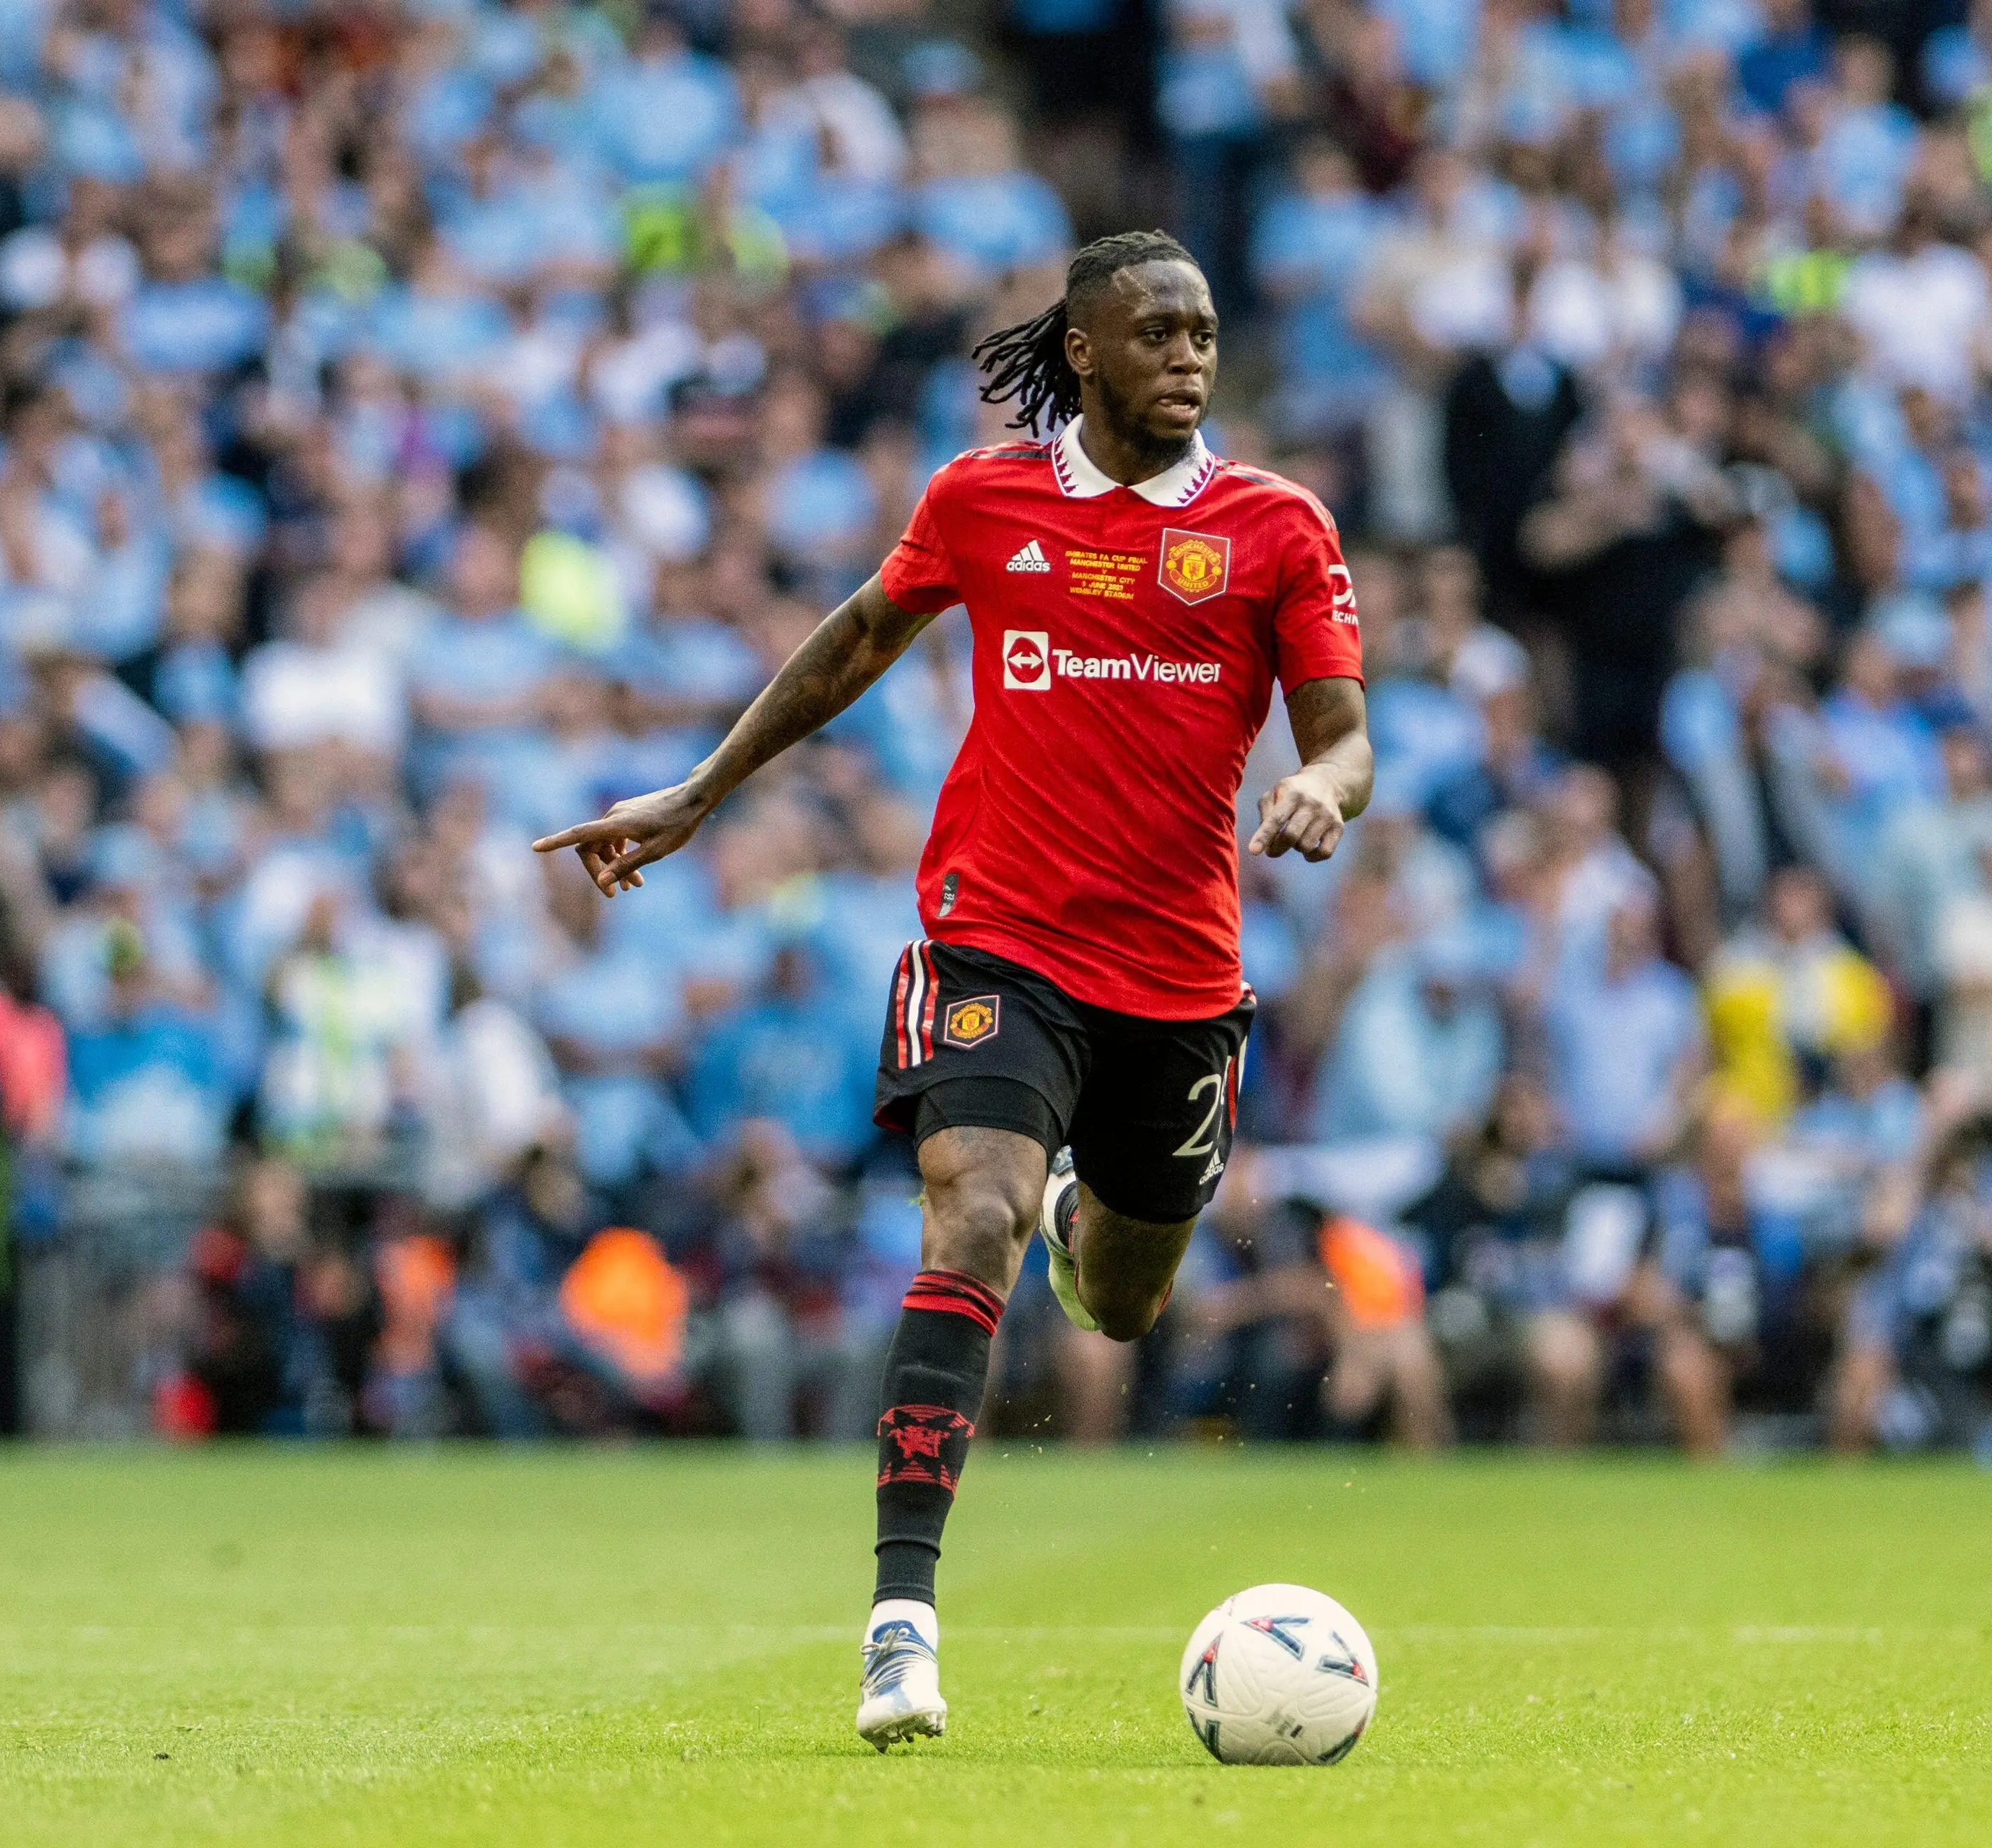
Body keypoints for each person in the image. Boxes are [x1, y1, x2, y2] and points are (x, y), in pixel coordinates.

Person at [531, 232, 1371, 1748]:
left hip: (1179, 981)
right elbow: (860, 638)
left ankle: (1075, 1217)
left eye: (1206, 332)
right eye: (1161, 333)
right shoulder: (984, 499)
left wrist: (1322, 780)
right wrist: (702, 792)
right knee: (967, 1205)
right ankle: (900, 1620)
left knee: (1119, 1300)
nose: (1192, 356)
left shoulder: (1276, 527)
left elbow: (1347, 731)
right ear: (1089, 351)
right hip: (997, 939)